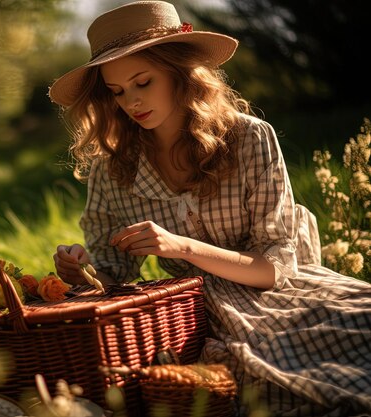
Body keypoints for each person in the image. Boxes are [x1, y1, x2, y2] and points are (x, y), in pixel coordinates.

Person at [47, 1, 371, 416]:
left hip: (283, 294)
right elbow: (112, 274)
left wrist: (182, 247)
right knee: (249, 381)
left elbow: (274, 268)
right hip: (195, 314)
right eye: (117, 91)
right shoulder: (113, 170)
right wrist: (82, 268)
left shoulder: (249, 138)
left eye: (142, 82)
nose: (131, 101)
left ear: (180, 73)